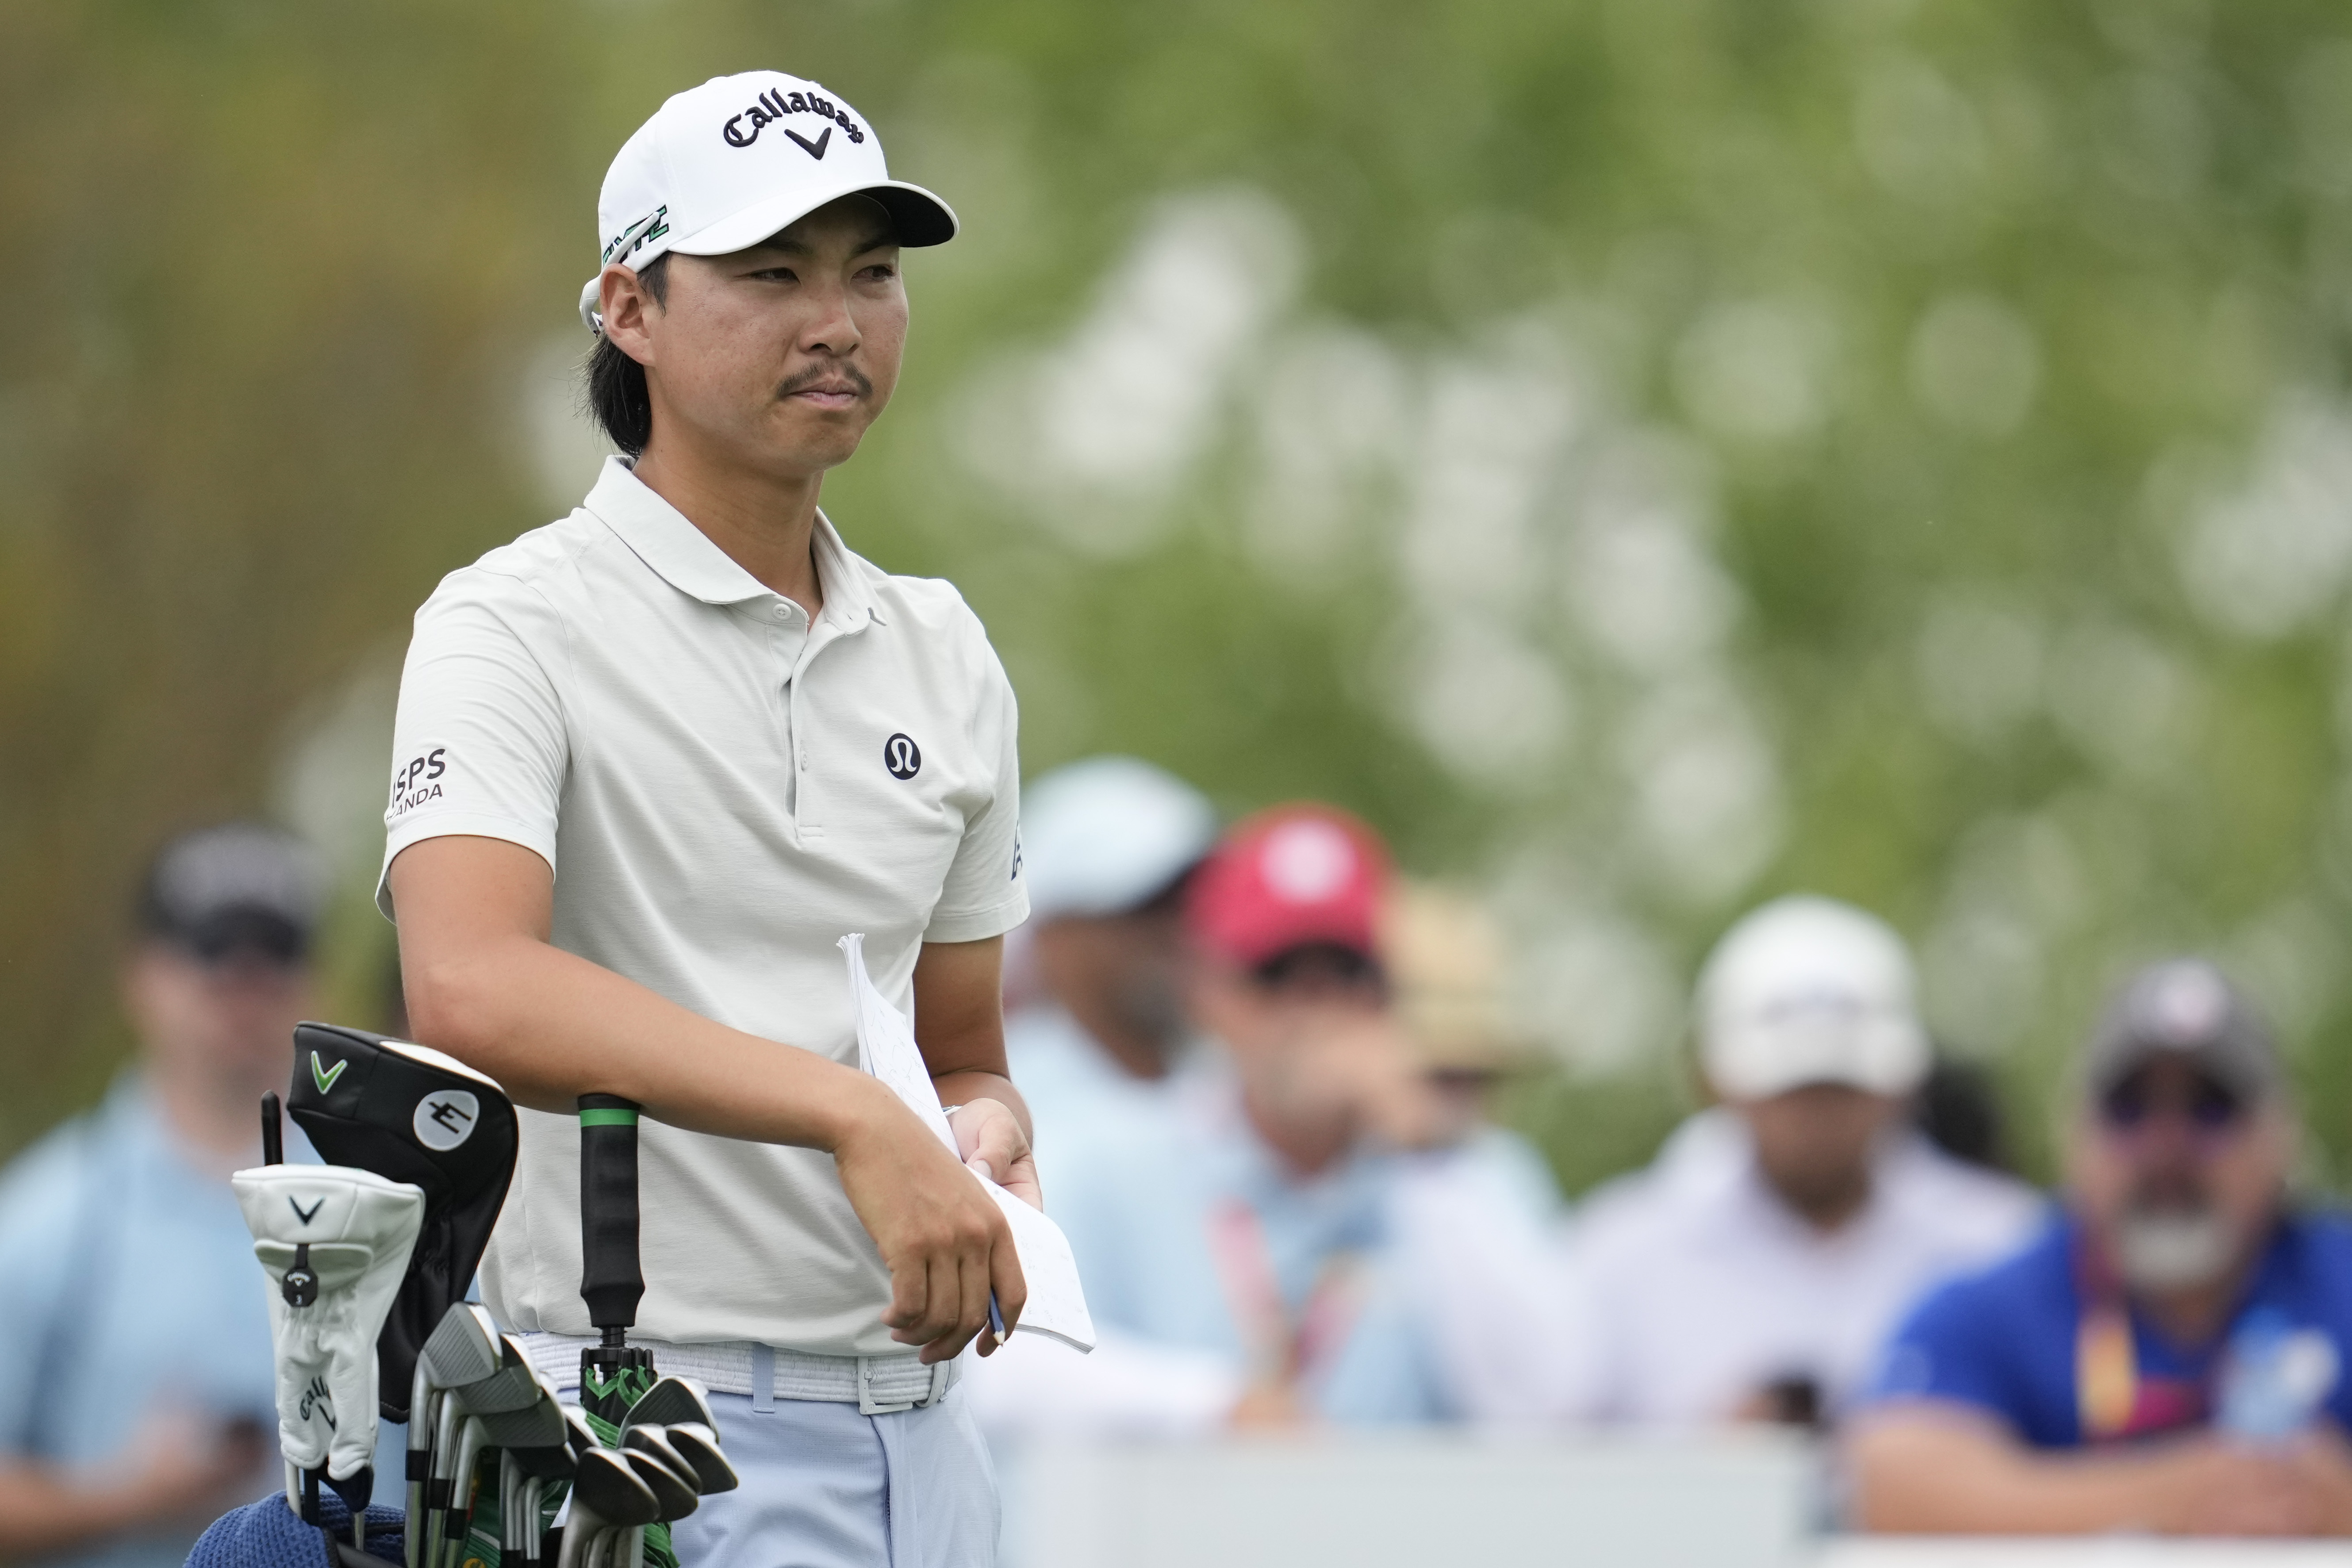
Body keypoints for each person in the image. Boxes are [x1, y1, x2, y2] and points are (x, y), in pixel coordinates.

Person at [381, 70, 1031, 1568]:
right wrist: (851, 1113)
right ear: (629, 308)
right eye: (771, 273)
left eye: (872, 273)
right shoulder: (510, 623)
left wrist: (982, 1135)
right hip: (642, 1430)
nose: (838, 321)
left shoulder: (943, 646)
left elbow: (964, 1053)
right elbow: (471, 986)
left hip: (931, 1438)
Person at [1040, 805, 1554, 1429]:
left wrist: (1422, 1155)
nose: (1315, 1006)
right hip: (1180, 1523)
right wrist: (1214, 1407)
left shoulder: (1472, 1172)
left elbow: (1546, 1400)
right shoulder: (1106, 1162)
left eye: (1348, 972)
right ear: (1208, 991)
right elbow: (1012, 1368)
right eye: (1275, 972)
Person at [1849, 959, 2352, 1536]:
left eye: (2210, 1107)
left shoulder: (2337, 1276)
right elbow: (1889, 1486)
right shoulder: (1991, 1303)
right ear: (2074, 1135)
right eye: (2129, 1108)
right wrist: (2173, 1498)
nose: (2167, 1146)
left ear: (2280, 1135)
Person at [1550, 895, 2040, 1429]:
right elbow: (1558, 1471)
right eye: (1791, 1090)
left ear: (1905, 1083)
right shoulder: (1615, 1257)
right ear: (1713, 1082)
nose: (1817, 1117)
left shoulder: (2004, 1241)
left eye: (1840, 1088)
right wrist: (1696, 1469)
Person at [0, 824, 317, 1568]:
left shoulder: (398, 1205)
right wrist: (132, 1496)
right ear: (141, 977)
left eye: (272, 962)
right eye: (215, 959)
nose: (244, 994)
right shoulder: (48, 1219)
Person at [1001, 755, 1218, 1177]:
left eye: (1195, 898)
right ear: (1052, 936)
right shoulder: (1000, 1118)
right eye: (1147, 902)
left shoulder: (1236, 1089)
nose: (1181, 928)